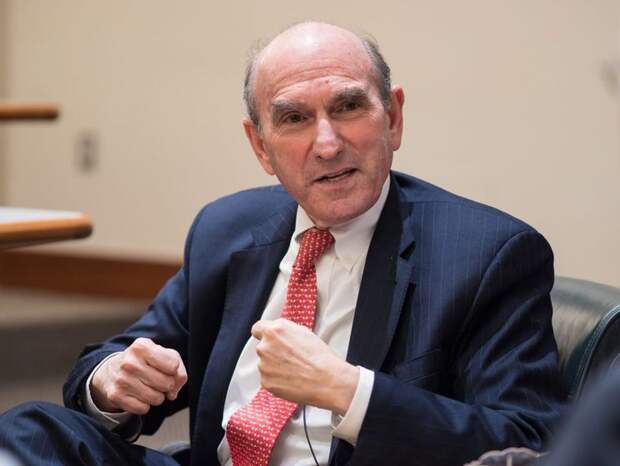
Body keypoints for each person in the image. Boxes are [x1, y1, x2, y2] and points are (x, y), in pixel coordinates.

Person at [0, 21, 565, 466]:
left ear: (392, 118)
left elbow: (532, 440)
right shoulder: (227, 229)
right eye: (294, 118)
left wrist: (350, 391)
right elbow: (128, 355)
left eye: (348, 107)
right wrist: (112, 381)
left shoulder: (486, 254)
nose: (327, 144)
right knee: (32, 429)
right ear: (261, 147)